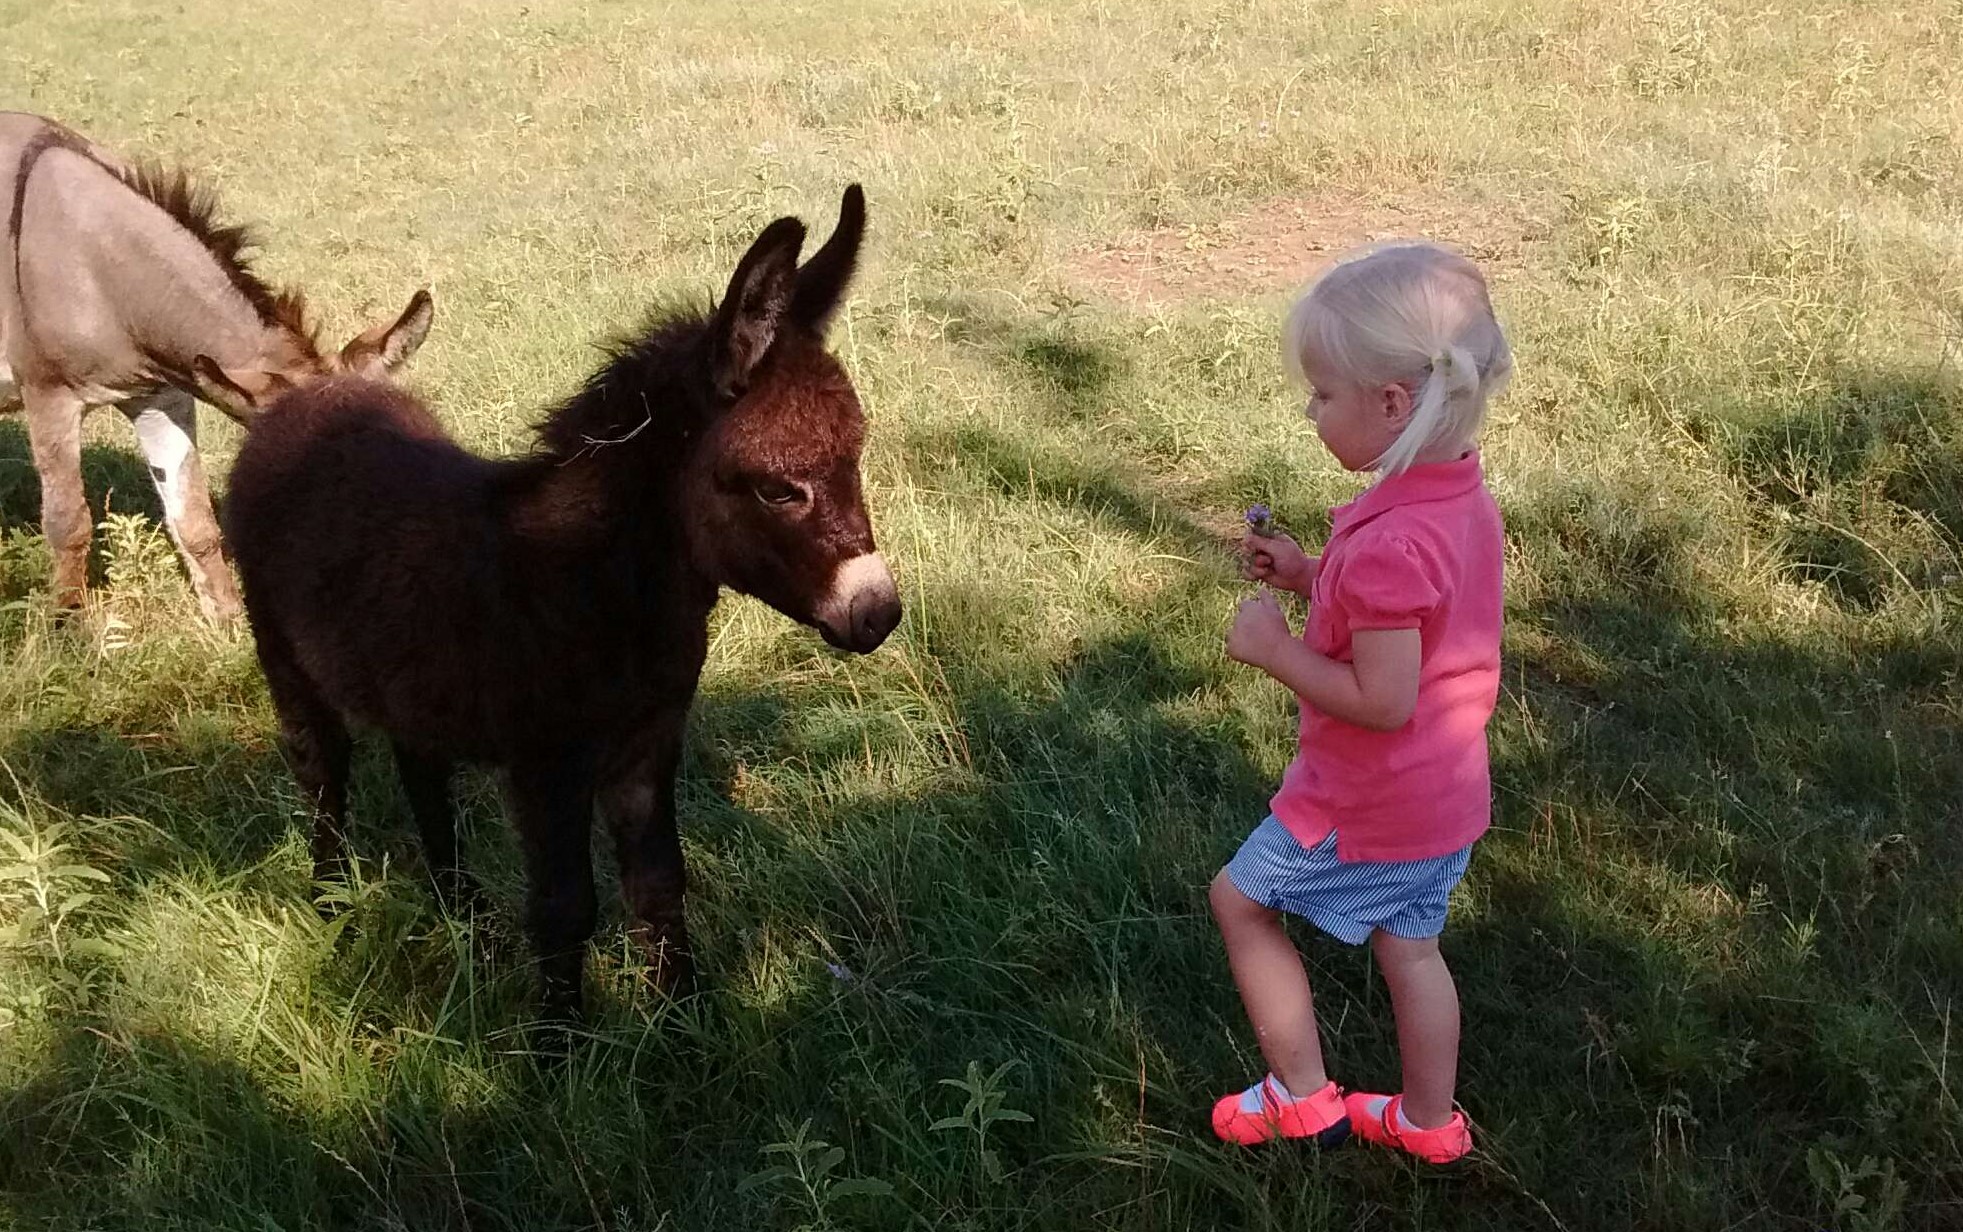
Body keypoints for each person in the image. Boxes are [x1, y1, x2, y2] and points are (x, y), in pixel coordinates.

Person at [1210, 242, 1512, 1164]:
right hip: (1444, 795)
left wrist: (1276, 649)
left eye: (1321, 393)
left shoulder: (1388, 543)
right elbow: (1404, 623)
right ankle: (1429, 1125)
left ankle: (1299, 1099)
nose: (1309, 411)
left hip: (1366, 801)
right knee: (1410, 950)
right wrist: (1309, 573)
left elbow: (1380, 700)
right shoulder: (1455, 499)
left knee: (1238, 903)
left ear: (1390, 402)